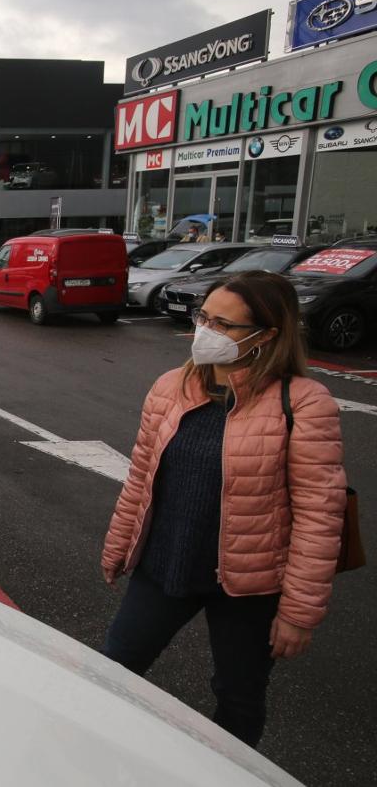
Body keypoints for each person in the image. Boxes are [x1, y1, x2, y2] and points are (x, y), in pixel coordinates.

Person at [100, 270, 347, 748]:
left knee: (239, 696)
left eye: (223, 325)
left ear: (266, 335)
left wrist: (298, 613)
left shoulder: (303, 403)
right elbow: (141, 476)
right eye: (203, 317)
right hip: (166, 563)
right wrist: (117, 547)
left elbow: (320, 516)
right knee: (113, 667)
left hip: (248, 584)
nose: (205, 332)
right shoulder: (172, 387)